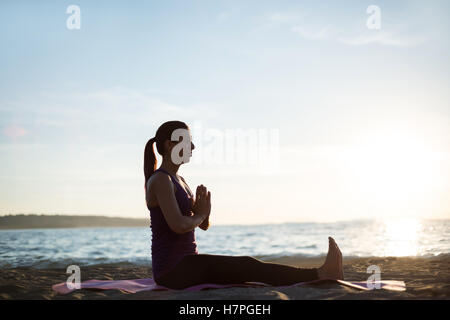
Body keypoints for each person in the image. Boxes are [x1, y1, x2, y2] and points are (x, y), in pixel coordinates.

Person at [144, 120, 344, 290]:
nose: (193, 147)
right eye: (187, 142)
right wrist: (200, 215)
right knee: (247, 265)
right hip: (171, 271)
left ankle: (318, 273)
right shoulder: (161, 180)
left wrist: (203, 215)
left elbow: (198, 225)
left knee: (246, 266)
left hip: (188, 263)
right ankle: (320, 274)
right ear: (170, 145)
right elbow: (178, 225)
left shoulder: (179, 180)